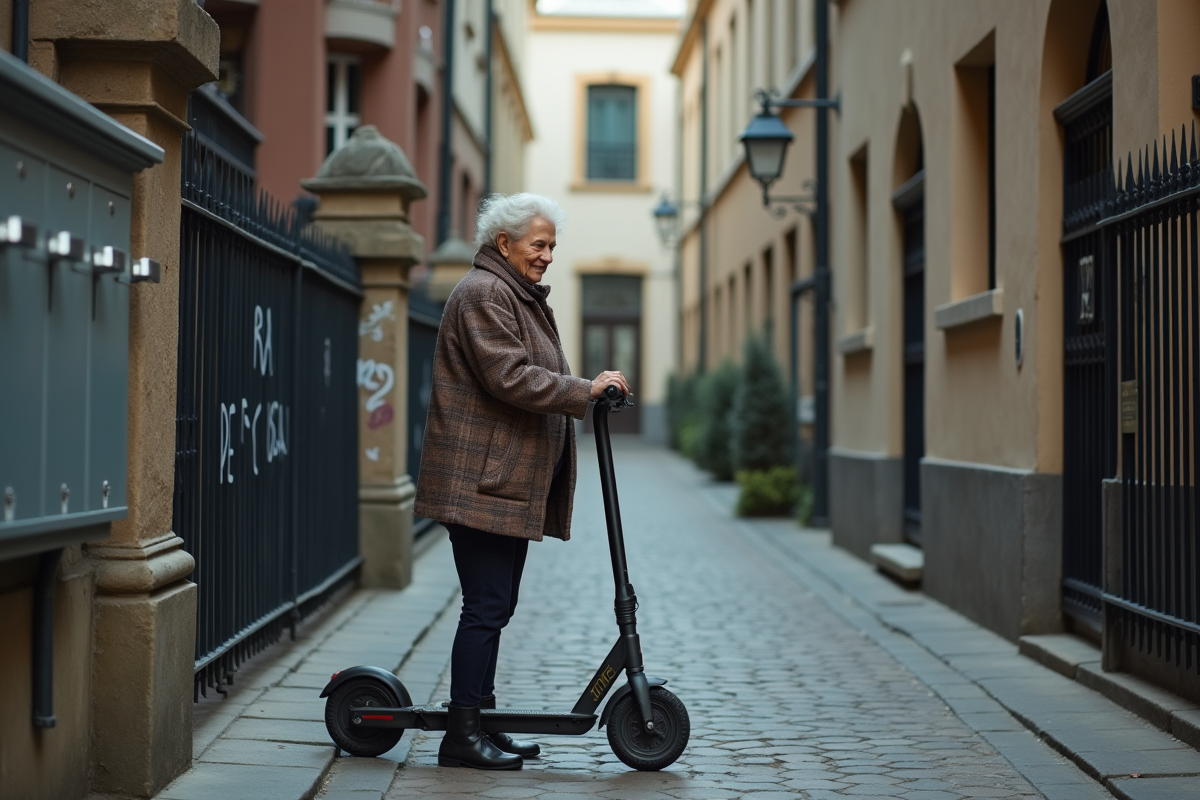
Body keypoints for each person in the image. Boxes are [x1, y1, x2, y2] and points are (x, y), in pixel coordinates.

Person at [414, 193, 631, 771]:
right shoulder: (485, 293)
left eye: (553, 245)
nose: (548, 256)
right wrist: (584, 388)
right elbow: (509, 376)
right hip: (480, 482)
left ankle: (481, 721)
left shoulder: (515, 294)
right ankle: (461, 736)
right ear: (504, 243)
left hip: (500, 481)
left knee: (496, 605)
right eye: (539, 245)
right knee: (485, 607)